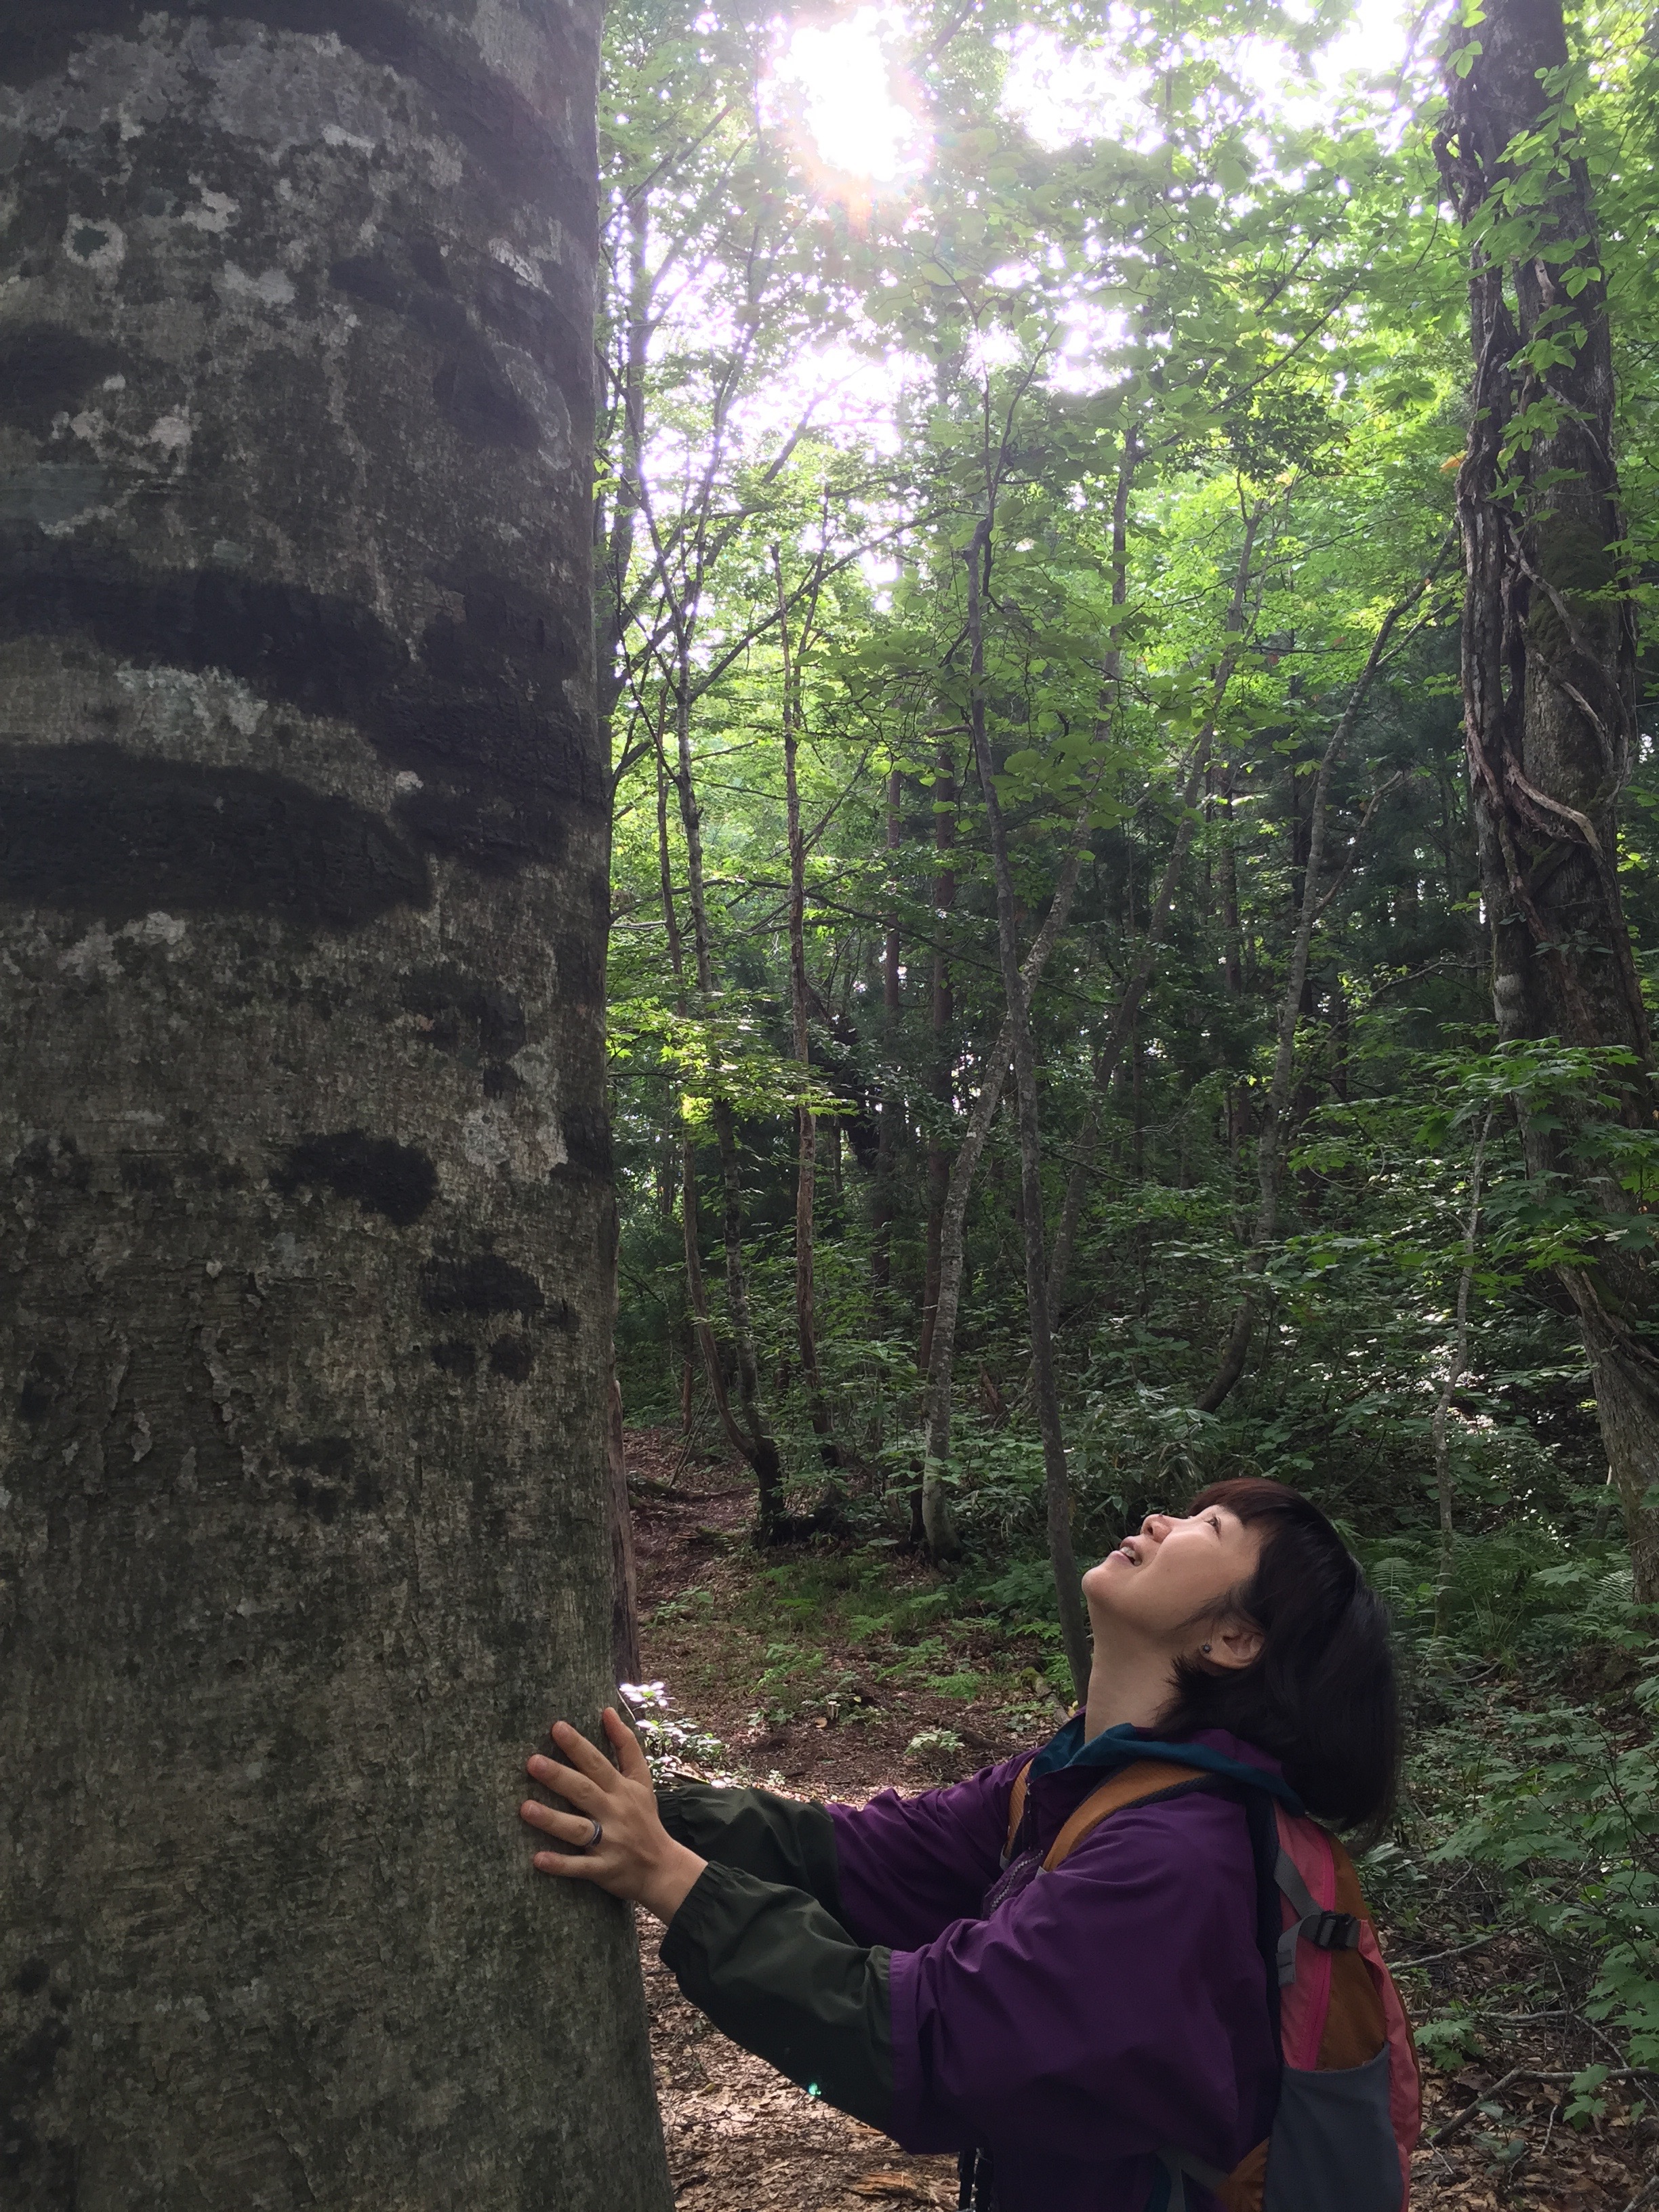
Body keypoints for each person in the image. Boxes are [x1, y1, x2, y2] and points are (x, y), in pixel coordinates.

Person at [518, 1478, 1400, 2211]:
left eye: (1210, 1527)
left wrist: (672, 1878)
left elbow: (934, 2044)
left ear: (1235, 1640)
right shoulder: (1076, 1782)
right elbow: (865, 1855)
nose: (1161, 1520)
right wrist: (656, 1814)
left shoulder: (1178, 1862)